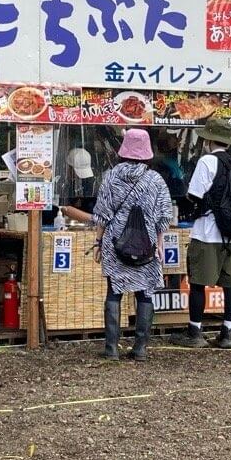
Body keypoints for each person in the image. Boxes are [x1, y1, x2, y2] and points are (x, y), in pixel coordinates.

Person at [90, 129, 170, 362]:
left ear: (124, 150)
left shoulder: (111, 176)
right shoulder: (155, 180)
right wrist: (160, 244)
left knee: (114, 292)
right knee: (145, 293)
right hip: (146, 245)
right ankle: (141, 348)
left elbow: (102, 214)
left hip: (116, 244)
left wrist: (97, 242)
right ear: (146, 153)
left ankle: (111, 348)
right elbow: (164, 216)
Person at [175, 117, 231, 350]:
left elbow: (195, 195)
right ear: (227, 142)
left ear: (209, 140)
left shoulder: (207, 161)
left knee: (198, 283)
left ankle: (195, 332)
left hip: (207, 233)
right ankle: (228, 333)